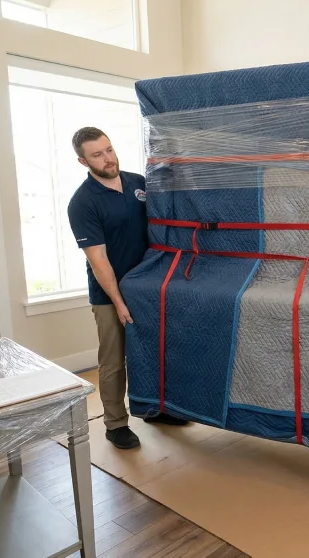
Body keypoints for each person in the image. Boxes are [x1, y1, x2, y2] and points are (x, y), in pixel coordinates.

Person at [66, 127, 187, 451]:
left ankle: (152, 408)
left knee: (152, 351)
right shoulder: (83, 203)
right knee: (114, 360)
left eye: (109, 149)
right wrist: (118, 301)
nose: (108, 158)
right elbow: (98, 260)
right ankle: (116, 424)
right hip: (110, 294)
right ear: (82, 160)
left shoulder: (137, 183)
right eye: (97, 154)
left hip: (149, 286)